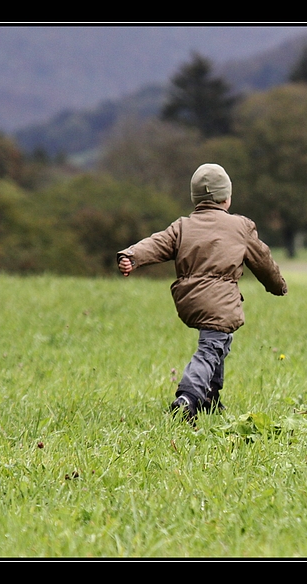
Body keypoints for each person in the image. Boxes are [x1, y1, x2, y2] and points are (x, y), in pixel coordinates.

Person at [117, 163, 288, 421]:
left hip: (188, 299)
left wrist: (132, 255)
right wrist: (278, 286)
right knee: (210, 348)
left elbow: (156, 243)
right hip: (219, 299)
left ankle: (210, 398)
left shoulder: (183, 226)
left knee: (219, 343)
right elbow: (262, 260)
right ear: (226, 197)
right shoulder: (240, 226)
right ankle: (188, 397)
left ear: (195, 198)